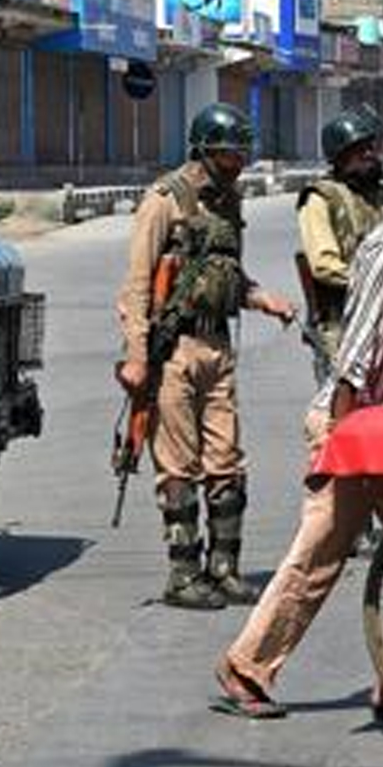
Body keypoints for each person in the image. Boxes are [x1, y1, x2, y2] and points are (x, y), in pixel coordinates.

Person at [213, 128, 383, 720]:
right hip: (357, 424)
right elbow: (360, 337)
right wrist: (346, 434)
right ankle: (246, 667)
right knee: (320, 554)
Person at [116, 104, 296, 611]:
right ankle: (183, 573)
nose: (239, 160)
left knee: (226, 462)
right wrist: (136, 356)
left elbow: (226, 274)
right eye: (229, 151)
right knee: (179, 464)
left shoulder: (228, 200)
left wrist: (263, 299)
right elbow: (135, 286)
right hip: (173, 350)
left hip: (218, 345)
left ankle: (225, 568)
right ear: (204, 149)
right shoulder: (164, 200)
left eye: (242, 151)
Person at [296, 106, 383, 383]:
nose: (368, 155)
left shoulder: (381, 196)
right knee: (341, 415)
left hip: (382, 321)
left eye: (370, 147)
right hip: (343, 325)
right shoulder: (320, 199)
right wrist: (373, 282)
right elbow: (324, 265)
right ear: (339, 157)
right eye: (358, 149)